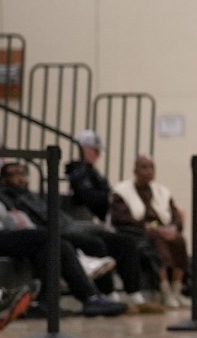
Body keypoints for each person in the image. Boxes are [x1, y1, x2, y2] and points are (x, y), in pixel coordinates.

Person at [66, 130, 165, 312]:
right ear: (84, 149)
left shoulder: (92, 173)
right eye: (94, 150)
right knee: (100, 244)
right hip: (89, 226)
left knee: (127, 243)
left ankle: (134, 293)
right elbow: (92, 199)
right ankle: (108, 293)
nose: (98, 154)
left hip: (101, 224)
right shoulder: (78, 171)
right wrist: (110, 198)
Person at [0, 184, 127, 318]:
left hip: (4, 231)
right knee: (48, 237)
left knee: (57, 246)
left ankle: (47, 303)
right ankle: (85, 274)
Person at [112, 154, 189, 308]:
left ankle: (176, 291)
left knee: (179, 240)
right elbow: (120, 217)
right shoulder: (121, 191)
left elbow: (175, 214)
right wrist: (150, 227)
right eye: (144, 167)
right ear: (135, 170)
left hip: (163, 228)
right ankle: (165, 291)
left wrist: (174, 227)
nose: (149, 171)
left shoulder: (162, 191)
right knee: (156, 240)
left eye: (151, 167)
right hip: (139, 231)